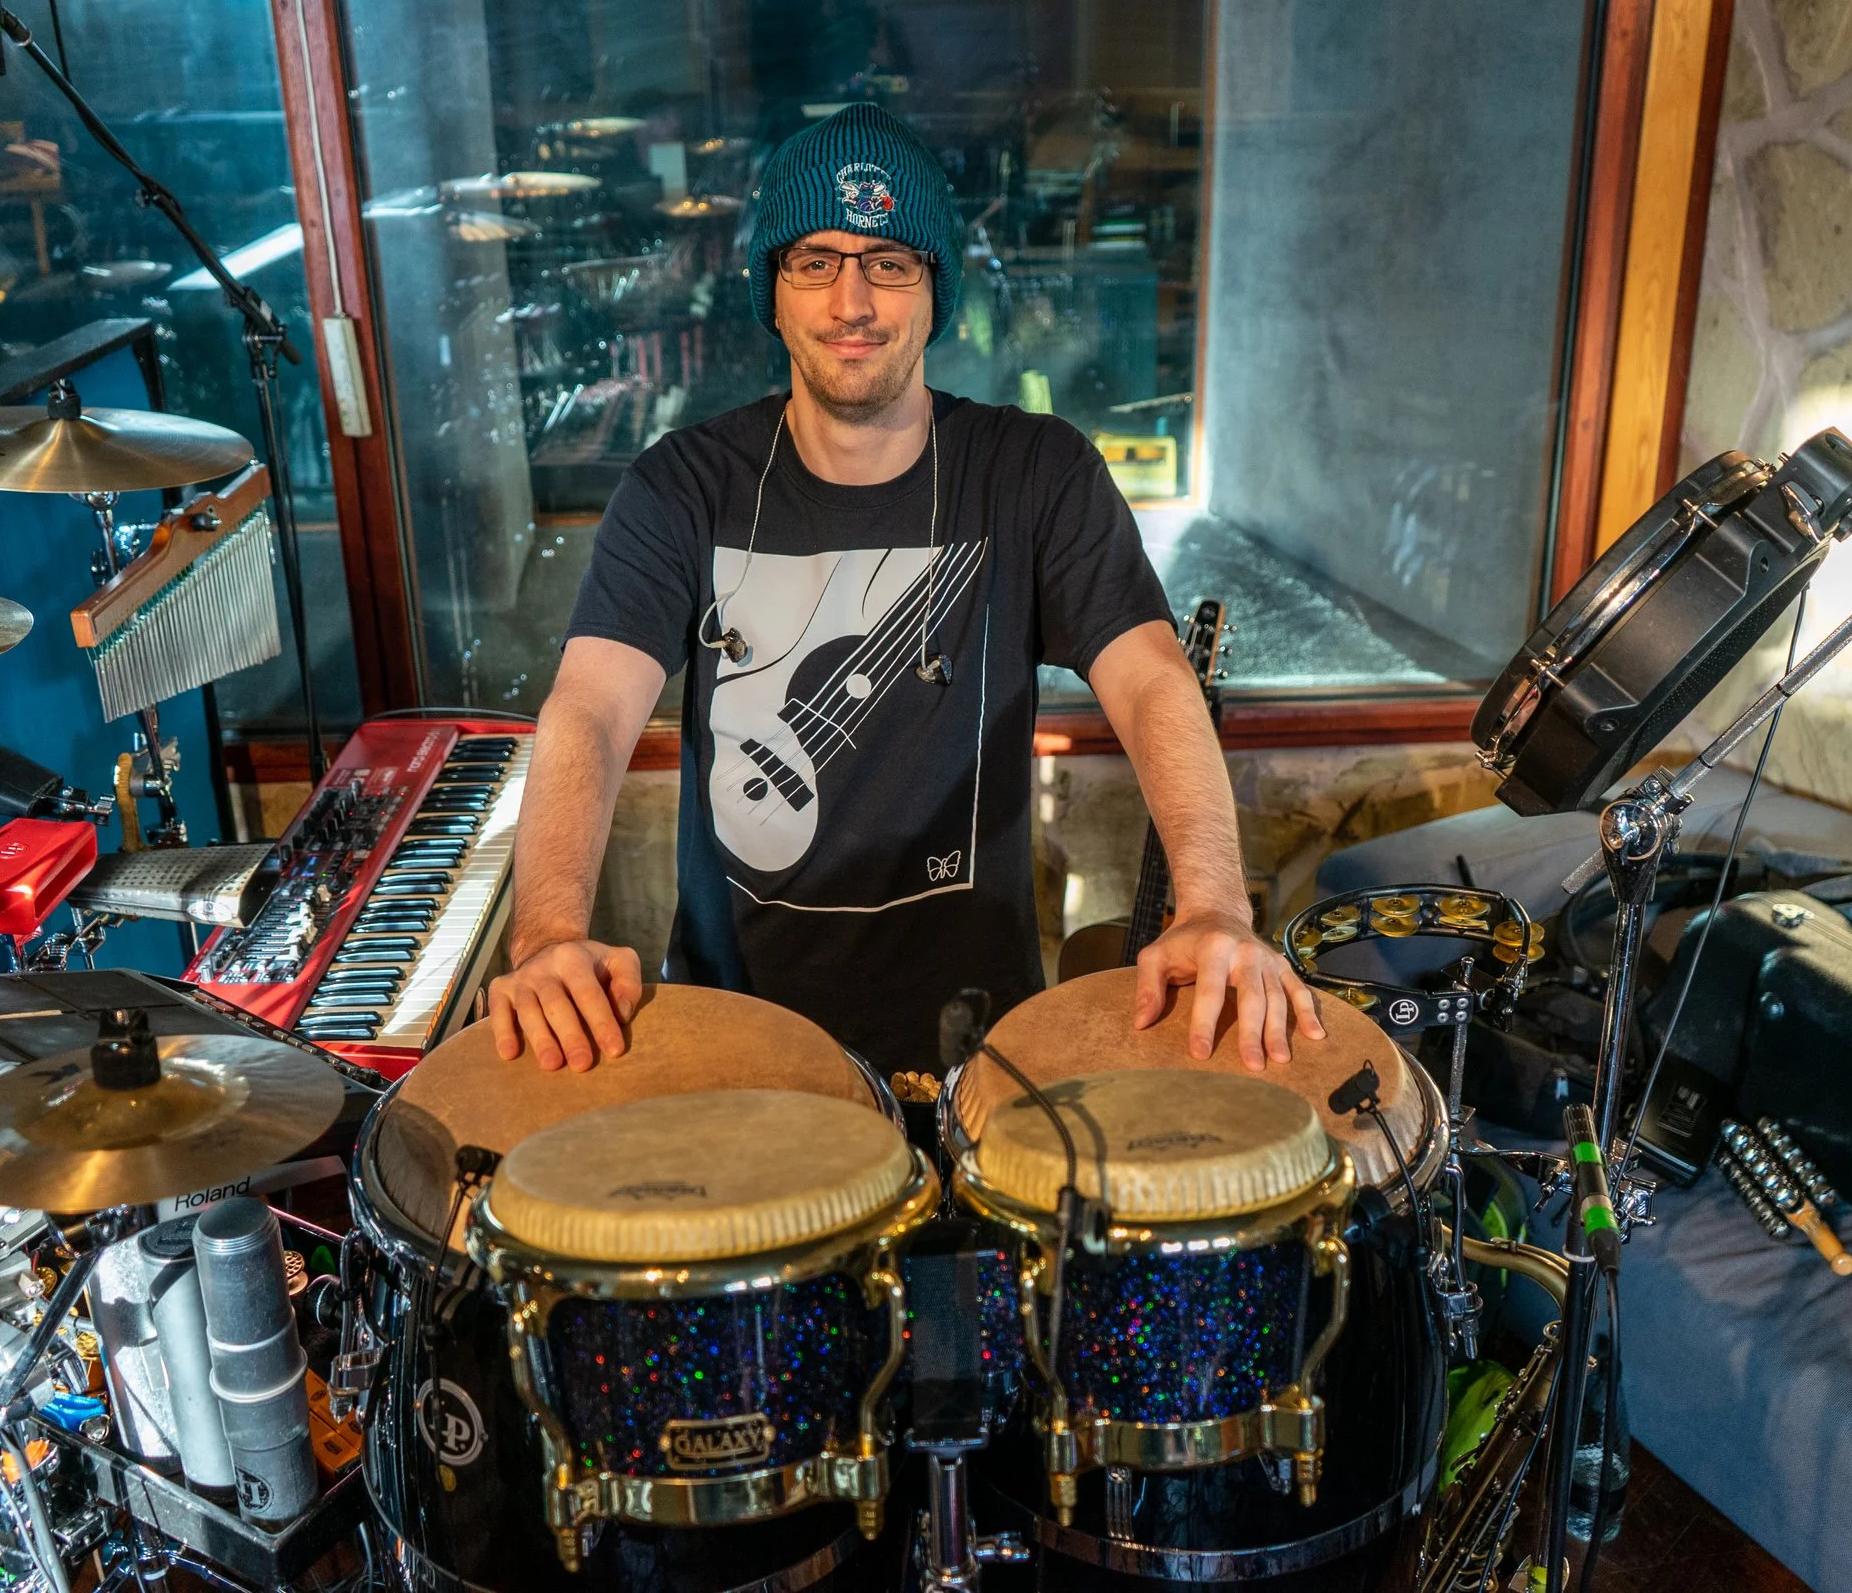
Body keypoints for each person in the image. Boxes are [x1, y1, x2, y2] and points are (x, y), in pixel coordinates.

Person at [487, 103, 1320, 1078]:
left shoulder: (1032, 470)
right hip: (734, 1032)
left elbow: (1151, 680)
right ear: (774, 289)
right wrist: (546, 929)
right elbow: (588, 707)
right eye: (815, 261)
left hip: (972, 1046)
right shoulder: (683, 484)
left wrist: (1214, 903)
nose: (852, 303)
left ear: (935, 291)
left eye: (889, 261)